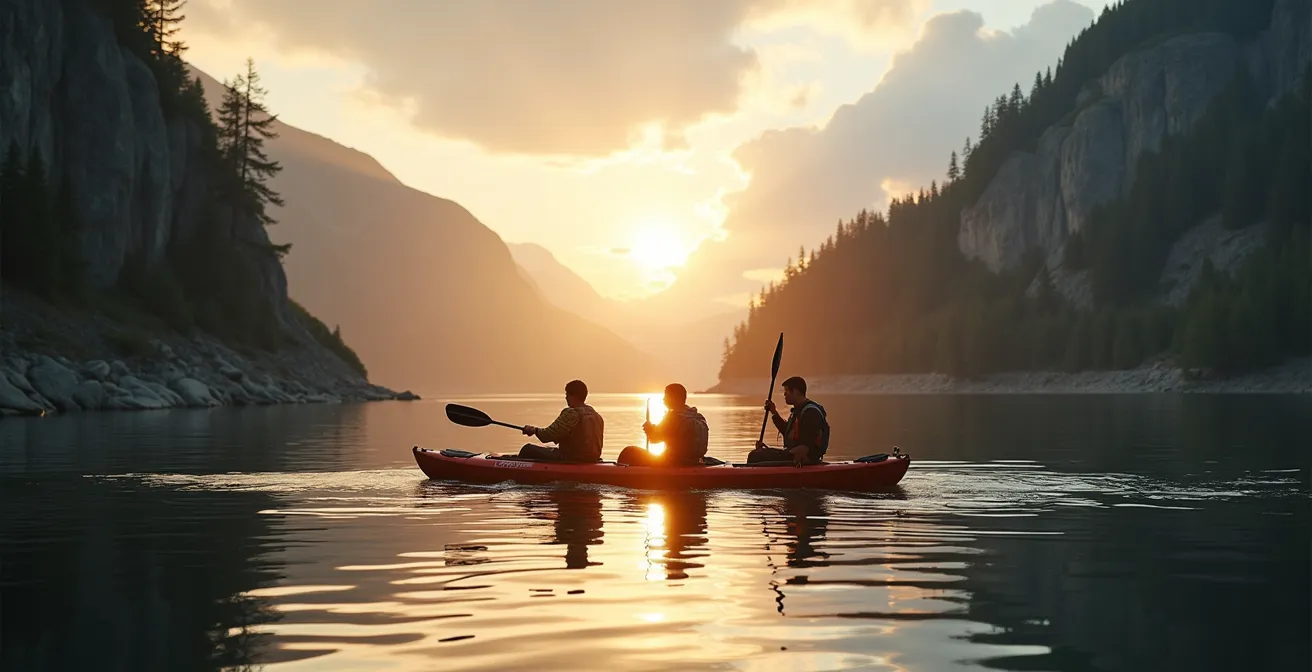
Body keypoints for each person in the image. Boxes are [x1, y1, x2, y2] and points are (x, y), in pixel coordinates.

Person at [617, 383, 709, 467]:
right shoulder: (697, 416)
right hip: (695, 461)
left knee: (628, 452)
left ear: (673, 398)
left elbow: (654, 439)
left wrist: (649, 429)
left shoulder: (673, 416)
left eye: (666, 396)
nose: (663, 399)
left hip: (673, 463)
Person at [747, 376, 829, 466]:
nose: (784, 394)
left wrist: (780, 454)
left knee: (755, 456)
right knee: (758, 453)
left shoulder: (811, 413)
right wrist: (774, 412)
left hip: (805, 460)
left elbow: (805, 447)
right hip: (793, 454)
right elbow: (788, 433)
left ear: (796, 391)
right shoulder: (798, 411)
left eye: (787, 391)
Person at [518, 379, 604, 462]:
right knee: (549, 449)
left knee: (527, 449)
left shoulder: (572, 413)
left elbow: (548, 435)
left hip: (571, 458)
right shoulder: (597, 416)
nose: (566, 398)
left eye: (567, 394)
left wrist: (534, 430)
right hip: (591, 459)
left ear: (573, 395)